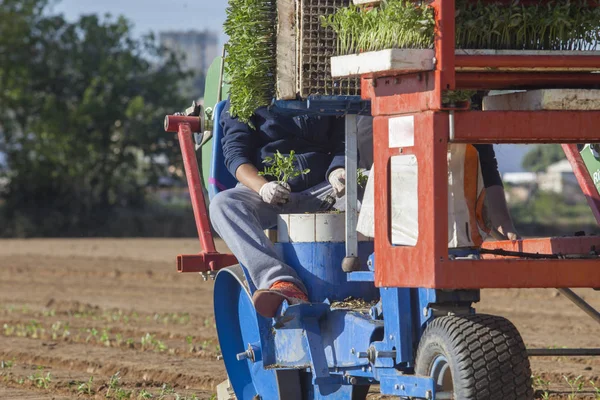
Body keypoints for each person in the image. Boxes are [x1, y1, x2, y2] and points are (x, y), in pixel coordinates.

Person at [209, 101, 347, 318]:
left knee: (373, 187)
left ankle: (377, 278)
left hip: (325, 190)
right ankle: (280, 281)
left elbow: (344, 140)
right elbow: (236, 156)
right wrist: (263, 186)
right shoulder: (245, 96)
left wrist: (338, 169)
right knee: (223, 205)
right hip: (269, 194)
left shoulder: (323, 92)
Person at [356, 115, 520, 240]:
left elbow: (487, 165)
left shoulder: (469, 118)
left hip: (453, 230)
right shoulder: (379, 127)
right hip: (396, 212)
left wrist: (504, 223)